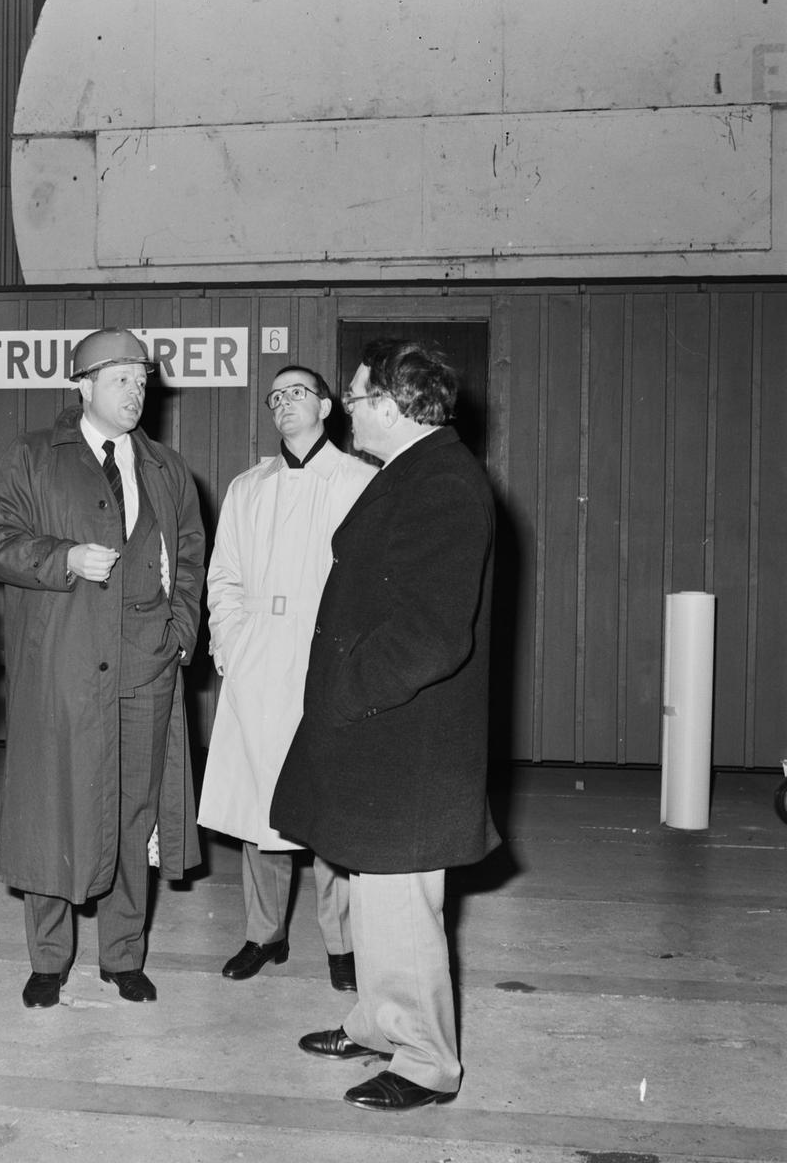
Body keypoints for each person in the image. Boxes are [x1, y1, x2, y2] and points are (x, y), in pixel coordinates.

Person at [270, 338, 498, 1112]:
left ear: (398, 406)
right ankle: (378, 1023)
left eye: (360, 398)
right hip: (384, 732)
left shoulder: (442, 482)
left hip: (406, 738)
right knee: (374, 895)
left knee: (402, 905)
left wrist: (345, 692)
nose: (349, 411)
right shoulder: (412, 471)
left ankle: (427, 1062)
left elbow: (434, 632)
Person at [0, 327, 205, 1009]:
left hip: (146, 665)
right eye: (121, 379)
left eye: (142, 380)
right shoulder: (32, 456)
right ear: (82, 385)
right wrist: (64, 558)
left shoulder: (166, 468)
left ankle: (123, 955)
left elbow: (190, 556)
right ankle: (48, 958)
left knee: (135, 811)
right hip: (66, 665)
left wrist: (180, 633)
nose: (136, 392)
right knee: (55, 807)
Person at [197, 366, 376, 990]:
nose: (284, 403)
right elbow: (223, 576)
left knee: (330, 801)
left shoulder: (360, 481)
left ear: (326, 406)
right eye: (274, 397)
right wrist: (231, 643)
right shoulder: (248, 486)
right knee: (260, 802)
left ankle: (343, 944)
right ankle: (264, 933)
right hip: (259, 655)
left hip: (327, 658)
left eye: (297, 392)